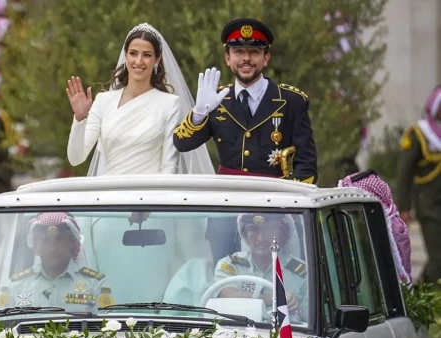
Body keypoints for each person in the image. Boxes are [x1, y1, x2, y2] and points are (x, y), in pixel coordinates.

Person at [63, 23, 212, 303]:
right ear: (125, 56)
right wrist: (80, 118)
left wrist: (149, 206)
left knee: (149, 295)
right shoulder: (104, 102)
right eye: (133, 53)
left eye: (146, 55)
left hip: (150, 216)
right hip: (106, 212)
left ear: (157, 61)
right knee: (107, 293)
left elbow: (169, 166)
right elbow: (76, 157)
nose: (138, 61)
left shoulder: (169, 103)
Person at [172, 18, 318, 183]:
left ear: (266, 58)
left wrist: (289, 202)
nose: (246, 58)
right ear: (227, 58)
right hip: (230, 197)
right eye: (238, 52)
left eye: (254, 52)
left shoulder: (291, 101)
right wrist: (199, 113)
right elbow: (182, 144)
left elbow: (306, 165)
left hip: (275, 199)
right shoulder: (216, 99)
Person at [0, 212, 114, 311]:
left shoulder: (95, 284)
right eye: (45, 241)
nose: (53, 247)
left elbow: (108, 329)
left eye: (60, 239)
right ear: (35, 245)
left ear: (72, 242)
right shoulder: (16, 285)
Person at [214, 213, 308, 320]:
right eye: (253, 229)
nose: (261, 237)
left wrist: (297, 308)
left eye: (269, 229)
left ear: (283, 235)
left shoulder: (304, 273)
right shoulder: (230, 264)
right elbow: (228, 295)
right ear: (244, 235)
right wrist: (276, 299)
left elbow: (310, 319)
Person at [395, 85, 441, 285]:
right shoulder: (419, 133)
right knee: (438, 257)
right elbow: (405, 173)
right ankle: (422, 293)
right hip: (428, 205)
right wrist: (403, 207)